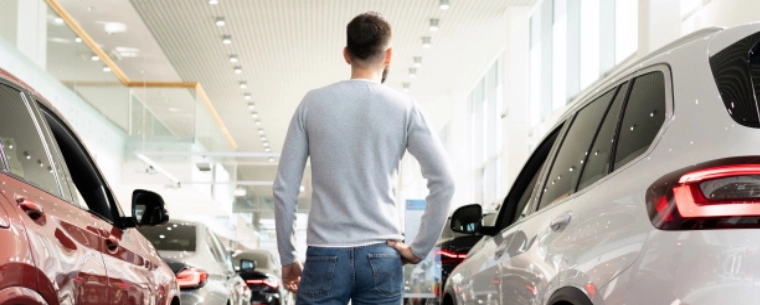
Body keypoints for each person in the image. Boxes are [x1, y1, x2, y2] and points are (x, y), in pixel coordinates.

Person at [273, 11, 455, 305]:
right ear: (389, 55)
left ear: (346, 54)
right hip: (382, 254)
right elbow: (444, 181)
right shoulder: (404, 107)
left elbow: (284, 189)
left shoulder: (312, 103)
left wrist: (287, 256)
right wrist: (419, 248)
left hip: (324, 255)